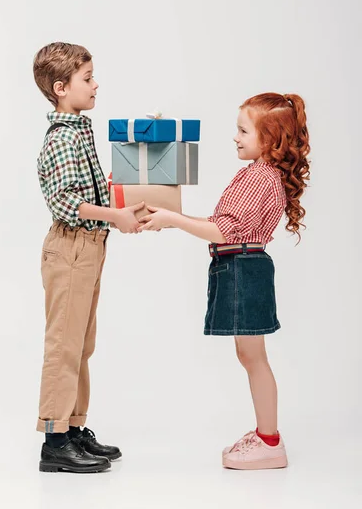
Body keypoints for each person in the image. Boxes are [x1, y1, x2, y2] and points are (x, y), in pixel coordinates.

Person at [139, 93, 310, 470]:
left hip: (243, 266)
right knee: (250, 356)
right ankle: (267, 435)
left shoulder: (258, 177)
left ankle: (270, 442)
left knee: (254, 358)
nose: (235, 137)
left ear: (270, 139)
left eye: (243, 130)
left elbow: (222, 229)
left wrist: (173, 219)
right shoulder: (259, 174)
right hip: (242, 264)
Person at [33, 42, 144, 473]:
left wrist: (116, 198)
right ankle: (54, 441)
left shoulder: (80, 128)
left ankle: (74, 427)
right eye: (87, 78)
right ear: (61, 88)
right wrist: (114, 215)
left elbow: (85, 191)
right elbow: (64, 201)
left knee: (81, 343)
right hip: (71, 248)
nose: (95, 84)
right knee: (64, 344)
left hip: (90, 247)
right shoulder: (62, 137)